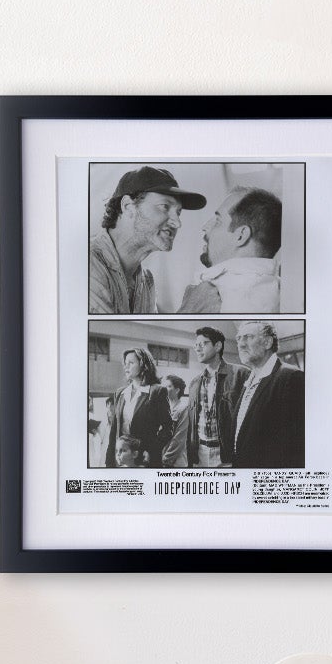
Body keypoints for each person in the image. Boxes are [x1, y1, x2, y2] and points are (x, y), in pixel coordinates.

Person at [89, 167, 207, 315]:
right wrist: (192, 309)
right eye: (165, 207)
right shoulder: (87, 263)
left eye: (178, 212)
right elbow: (108, 328)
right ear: (128, 206)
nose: (177, 223)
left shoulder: (146, 281)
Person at [179, 187, 283, 314]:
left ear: (241, 235)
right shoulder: (271, 292)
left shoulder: (232, 300)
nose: (205, 227)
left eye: (218, 221)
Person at [231, 321, 306, 468]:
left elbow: (296, 446)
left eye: (248, 337)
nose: (241, 344)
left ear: (267, 342)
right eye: (239, 338)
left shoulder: (292, 377)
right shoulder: (249, 380)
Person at [184, 326, 248, 468]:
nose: (197, 349)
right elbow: (192, 424)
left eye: (202, 344)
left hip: (227, 455)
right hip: (199, 454)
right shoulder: (195, 382)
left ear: (218, 346)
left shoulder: (240, 374)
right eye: (196, 345)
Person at [102, 347, 171, 468]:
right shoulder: (120, 393)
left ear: (143, 365)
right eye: (125, 363)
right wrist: (109, 461)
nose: (126, 366)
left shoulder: (157, 391)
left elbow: (168, 428)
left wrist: (152, 450)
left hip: (145, 459)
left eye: (131, 363)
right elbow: (114, 431)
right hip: (120, 459)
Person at [160, 374, 193, 467]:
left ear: (177, 390)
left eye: (168, 386)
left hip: (176, 462)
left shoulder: (184, 409)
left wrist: (165, 459)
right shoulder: (162, 408)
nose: (164, 389)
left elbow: (179, 439)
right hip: (160, 458)